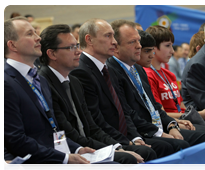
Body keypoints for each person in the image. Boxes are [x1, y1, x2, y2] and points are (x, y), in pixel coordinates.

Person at [4, 16, 124, 170]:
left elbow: (54, 131)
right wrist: (65, 158)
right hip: (33, 161)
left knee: (113, 166)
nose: (38, 37)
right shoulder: (6, 82)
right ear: (12, 45)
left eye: (36, 32)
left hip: (55, 154)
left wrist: (76, 149)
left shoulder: (39, 80)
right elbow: (17, 140)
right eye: (29, 34)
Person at [70, 18, 177, 161]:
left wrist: (135, 137)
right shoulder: (81, 71)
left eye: (114, 36)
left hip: (125, 135)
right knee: (161, 148)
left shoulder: (108, 69)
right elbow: (96, 120)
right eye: (108, 36)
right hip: (106, 140)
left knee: (168, 145)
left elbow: (124, 110)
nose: (114, 42)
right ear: (89, 40)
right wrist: (125, 143)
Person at [38, 23, 142, 167]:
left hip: (84, 144)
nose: (78, 52)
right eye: (71, 47)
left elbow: (91, 126)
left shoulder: (73, 81)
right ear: (52, 54)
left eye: (77, 46)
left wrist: (116, 147)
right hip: (68, 149)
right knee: (125, 160)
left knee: (132, 156)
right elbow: (67, 131)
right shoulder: (44, 84)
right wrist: (114, 149)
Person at [107, 19, 205, 149]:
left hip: (159, 124)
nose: (139, 46)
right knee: (201, 139)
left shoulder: (138, 70)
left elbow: (155, 107)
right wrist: (161, 131)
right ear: (116, 47)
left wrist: (171, 124)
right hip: (143, 132)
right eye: (132, 42)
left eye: (138, 41)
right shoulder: (111, 73)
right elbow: (129, 114)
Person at [139, 27, 205, 135]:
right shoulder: (148, 75)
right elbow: (161, 114)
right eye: (167, 46)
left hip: (186, 119)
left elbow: (181, 106)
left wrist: (197, 115)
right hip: (172, 123)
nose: (172, 51)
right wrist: (200, 115)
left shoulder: (168, 74)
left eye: (171, 45)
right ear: (154, 48)